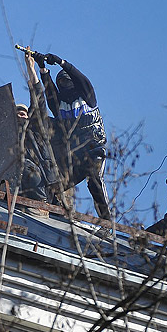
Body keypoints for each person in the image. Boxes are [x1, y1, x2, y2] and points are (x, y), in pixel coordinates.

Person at [32, 51, 112, 220]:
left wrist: (62, 63)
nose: (63, 86)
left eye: (66, 82)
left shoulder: (87, 97)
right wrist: (42, 68)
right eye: (60, 83)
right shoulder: (60, 105)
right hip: (75, 155)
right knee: (53, 183)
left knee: (94, 179)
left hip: (94, 149)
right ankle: (56, 212)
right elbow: (49, 92)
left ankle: (107, 222)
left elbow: (82, 79)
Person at [19, 53, 61, 204]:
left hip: (46, 175)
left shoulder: (35, 128)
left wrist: (32, 71)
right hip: (24, 175)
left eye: (23, 113)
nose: (21, 116)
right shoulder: (7, 132)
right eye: (17, 113)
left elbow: (39, 99)